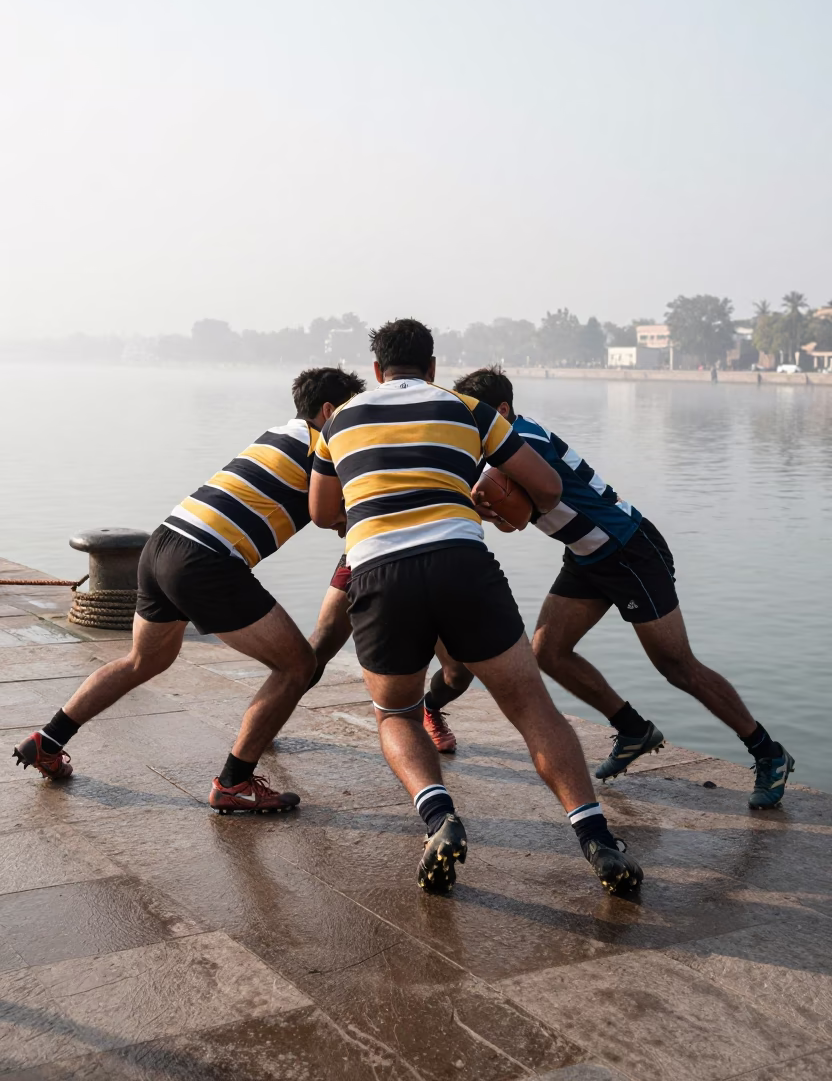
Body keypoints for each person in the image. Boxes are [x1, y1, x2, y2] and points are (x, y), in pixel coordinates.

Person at [309, 319, 644, 896]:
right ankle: (597, 838)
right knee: (533, 708)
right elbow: (549, 489)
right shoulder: (468, 408)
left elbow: (320, 512)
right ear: (433, 367)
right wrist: (497, 506)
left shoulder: (338, 419)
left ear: (376, 371)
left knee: (397, 715)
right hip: (462, 563)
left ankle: (441, 818)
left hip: (378, 572)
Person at [421, 366, 793, 811]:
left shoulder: (524, 437)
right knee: (548, 651)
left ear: (501, 410)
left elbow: (507, 499)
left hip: (628, 549)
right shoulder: (502, 455)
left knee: (676, 665)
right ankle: (633, 728)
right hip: (586, 555)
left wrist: (466, 495)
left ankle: (768, 752)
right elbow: (514, 521)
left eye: (476, 415)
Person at [13, 367, 365, 812]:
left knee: (145, 659)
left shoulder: (279, 435)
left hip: (162, 545)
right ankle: (234, 782)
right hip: (205, 559)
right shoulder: (323, 444)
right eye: (355, 411)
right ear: (330, 411)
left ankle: (48, 739)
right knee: (297, 665)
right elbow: (343, 506)